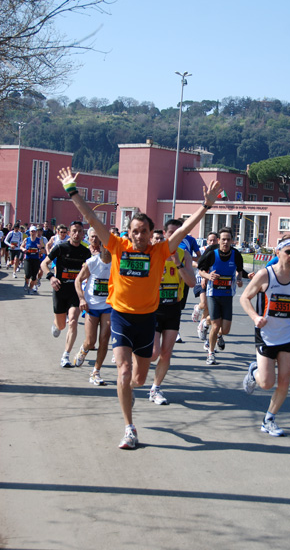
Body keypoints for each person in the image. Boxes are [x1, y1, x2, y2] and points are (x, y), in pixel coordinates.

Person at [56, 165, 221, 449]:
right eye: (135, 231)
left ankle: (129, 391)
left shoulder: (160, 251)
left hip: (147, 320)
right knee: (122, 372)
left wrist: (205, 206)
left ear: (150, 232)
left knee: (139, 379)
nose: (140, 235)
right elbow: (92, 218)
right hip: (120, 317)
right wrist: (72, 191)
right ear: (129, 233)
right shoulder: (118, 246)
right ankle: (129, 429)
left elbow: (184, 229)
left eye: (145, 231)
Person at [241, 238, 290, 436]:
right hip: (266, 334)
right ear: (278, 252)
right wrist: (255, 317)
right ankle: (254, 371)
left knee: (284, 380)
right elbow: (244, 298)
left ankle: (269, 419)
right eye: (289, 252)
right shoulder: (266, 275)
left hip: (288, 335)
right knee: (266, 383)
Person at [148, 219, 196, 405]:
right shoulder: (153, 253)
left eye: (180, 233)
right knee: (153, 353)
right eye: (172, 233)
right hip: (152, 308)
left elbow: (192, 283)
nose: (176, 236)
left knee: (166, 353)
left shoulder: (184, 255)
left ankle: (155, 389)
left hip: (173, 308)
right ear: (166, 234)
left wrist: (178, 264)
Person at [41, 221, 91, 367]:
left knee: (73, 321)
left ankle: (66, 355)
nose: (76, 234)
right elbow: (44, 263)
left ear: (83, 234)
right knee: (61, 325)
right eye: (74, 231)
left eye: (80, 231)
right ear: (69, 232)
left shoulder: (85, 251)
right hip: (60, 290)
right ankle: (57, 325)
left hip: (75, 292)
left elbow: (91, 269)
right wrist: (51, 277)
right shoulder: (60, 248)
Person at [197, 227, 244, 365]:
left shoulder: (236, 255)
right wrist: (208, 275)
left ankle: (206, 324)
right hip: (213, 294)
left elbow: (239, 271)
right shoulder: (212, 253)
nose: (225, 242)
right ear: (219, 240)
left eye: (228, 239)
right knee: (216, 325)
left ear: (232, 241)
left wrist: (240, 279)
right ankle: (211, 353)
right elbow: (200, 271)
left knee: (226, 330)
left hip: (227, 294)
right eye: (223, 239)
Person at [73, 242, 112, 385]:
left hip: (108, 306)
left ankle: (96, 371)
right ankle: (83, 350)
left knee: (104, 339)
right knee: (91, 341)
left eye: (111, 246)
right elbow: (78, 281)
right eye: (105, 246)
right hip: (92, 306)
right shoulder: (92, 262)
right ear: (101, 247)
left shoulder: (117, 263)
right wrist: (82, 298)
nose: (108, 249)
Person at [20, 226, 45, 294]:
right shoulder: (26, 239)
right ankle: (26, 282)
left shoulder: (39, 240)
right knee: (28, 274)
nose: (33, 233)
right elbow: (21, 246)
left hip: (36, 259)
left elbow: (43, 250)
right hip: (28, 259)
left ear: (36, 232)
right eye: (32, 231)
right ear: (29, 232)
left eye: (34, 231)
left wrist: (40, 248)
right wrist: (23, 249)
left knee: (34, 276)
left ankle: (30, 289)